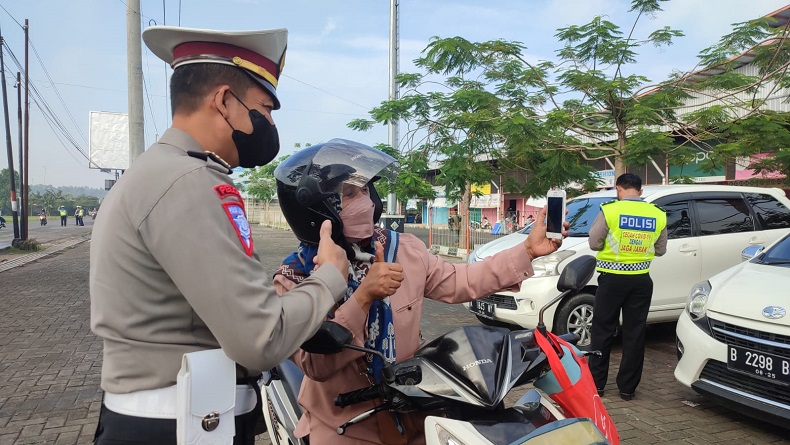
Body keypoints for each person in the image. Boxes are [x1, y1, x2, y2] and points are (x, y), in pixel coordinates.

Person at [89, 26, 351, 445]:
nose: (269, 123)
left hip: (170, 418)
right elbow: (259, 338)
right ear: (225, 101)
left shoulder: (156, 173)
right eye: (265, 108)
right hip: (181, 427)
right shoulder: (188, 183)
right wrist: (331, 277)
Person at [271, 140, 569, 444]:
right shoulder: (295, 279)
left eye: (365, 191)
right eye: (349, 194)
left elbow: (460, 280)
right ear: (315, 210)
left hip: (414, 407)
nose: (365, 202)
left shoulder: (402, 249)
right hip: (343, 423)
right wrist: (363, 297)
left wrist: (527, 251)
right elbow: (317, 365)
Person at [587, 173, 667, 401]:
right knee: (635, 333)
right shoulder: (657, 214)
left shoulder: (610, 210)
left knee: (602, 331)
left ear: (618, 189)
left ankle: (597, 385)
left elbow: (594, 243)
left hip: (612, 279)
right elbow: (660, 250)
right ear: (640, 192)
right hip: (641, 281)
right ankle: (627, 389)